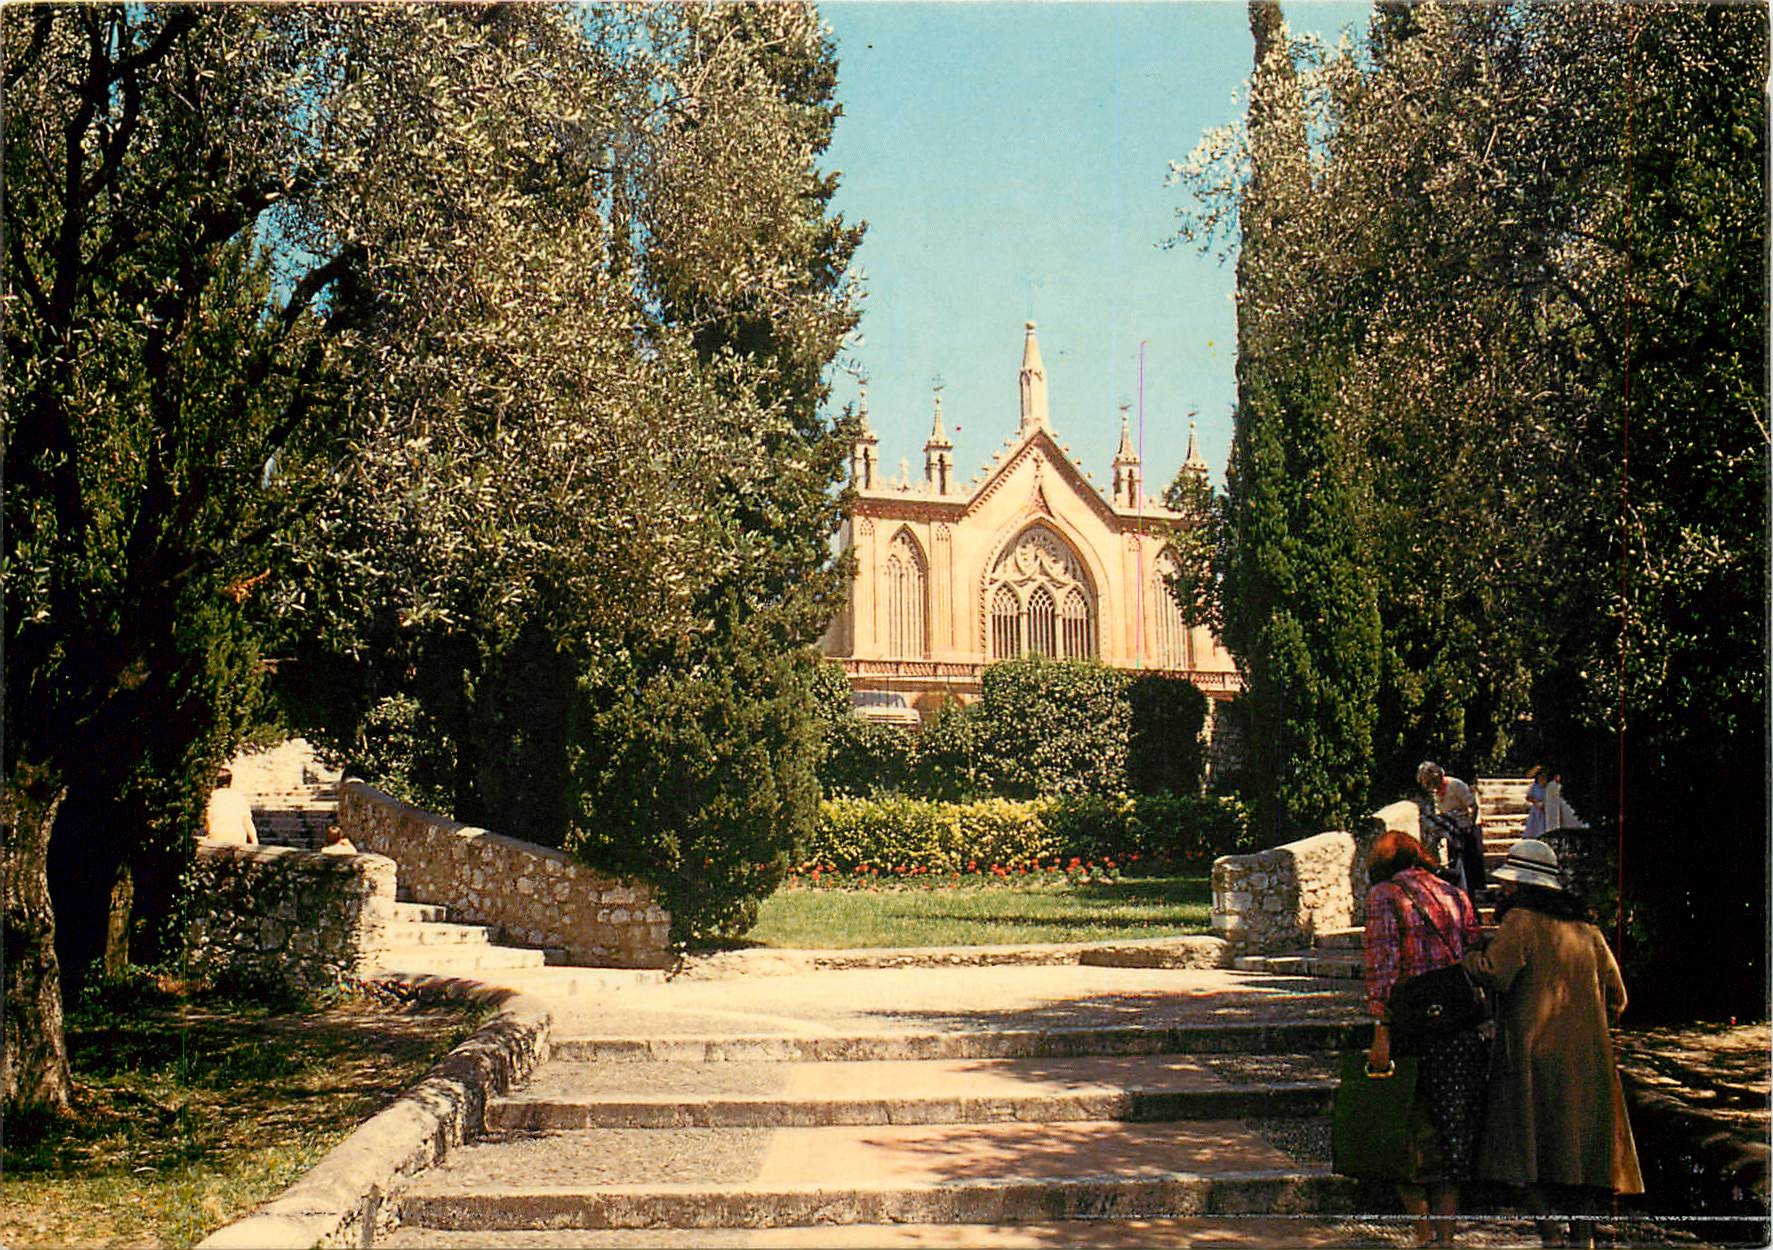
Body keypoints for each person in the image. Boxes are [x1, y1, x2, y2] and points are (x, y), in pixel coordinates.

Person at [1462, 839, 1642, 1249]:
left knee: (1523, 1157)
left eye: (1508, 885)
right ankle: (1581, 1238)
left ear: (1523, 887)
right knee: (1577, 1160)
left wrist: (1470, 956)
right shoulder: (1588, 931)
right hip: (1587, 1060)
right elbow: (1619, 996)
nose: (1502, 892)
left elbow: (1494, 972)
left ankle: (1550, 1235)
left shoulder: (1520, 922)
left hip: (1532, 1055)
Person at [1363, 830, 1490, 1248]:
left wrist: (1381, 1028)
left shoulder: (1384, 895)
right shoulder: (1453, 892)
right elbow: (1473, 947)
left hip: (1412, 1024)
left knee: (1406, 1128)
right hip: (1457, 1023)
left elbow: (1383, 964)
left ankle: (1423, 1234)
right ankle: (1448, 1237)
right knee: (1452, 1131)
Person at [1416, 761, 1487, 894]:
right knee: (1456, 865)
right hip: (1453, 832)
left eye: (1430, 782)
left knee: (1470, 865)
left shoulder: (1455, 785)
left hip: (1467, 829)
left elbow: (1472, 805)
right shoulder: (1437, 793)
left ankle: (1474, 893)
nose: (1430, 786)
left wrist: (1470, 825)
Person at [203, 768, 258, 844]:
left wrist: (210, 834)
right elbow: (247, 821)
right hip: (238, 840)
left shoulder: (211, 797)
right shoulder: (239, 797)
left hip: (217, 840)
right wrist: (254, 840)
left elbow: (208, 819)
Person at [1523, 766, 1548, 841]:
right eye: (1540, 777)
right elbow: (1528, 797)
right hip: (1536, 811)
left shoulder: (1548, 787)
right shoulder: (1535, 787)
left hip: (1545, 811)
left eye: (1544, 777)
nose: (1542, 779)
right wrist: (1536, 802)